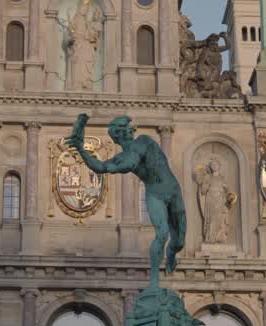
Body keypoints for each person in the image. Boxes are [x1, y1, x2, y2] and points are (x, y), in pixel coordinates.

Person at [67, 114, 185, 287]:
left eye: (130, 127)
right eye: (127, 128)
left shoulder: (144, 141)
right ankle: (154, 282)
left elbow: (133, 159)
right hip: (154, 194)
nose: (132, 130)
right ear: (119, 134)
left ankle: (172, 252)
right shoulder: (120, 158)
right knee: (162, 233)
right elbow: (100, 167)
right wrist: (81, 149)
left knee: (179, 241)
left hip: (172, 190)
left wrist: (126, 164)